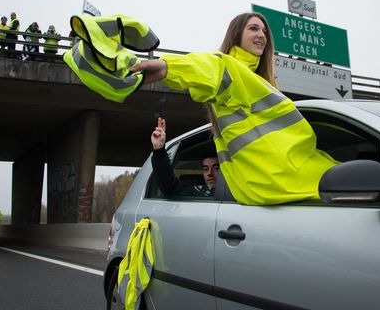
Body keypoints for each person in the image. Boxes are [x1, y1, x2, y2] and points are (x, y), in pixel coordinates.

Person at [130, 13, 339, 205]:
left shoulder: (261, 83)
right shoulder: (230, 69)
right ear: (236, 34)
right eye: (254, 29)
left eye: (264, 32)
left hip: (301, 177)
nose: (262, 35)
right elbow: (213, 67)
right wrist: (168, 67)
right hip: (281, 184)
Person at [151, 117, 219, 197]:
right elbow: (168, 185)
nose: (210, 174)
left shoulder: (236, 190)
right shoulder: (195, 192)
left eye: (216, 168)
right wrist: (159, 150)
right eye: (205, 169)